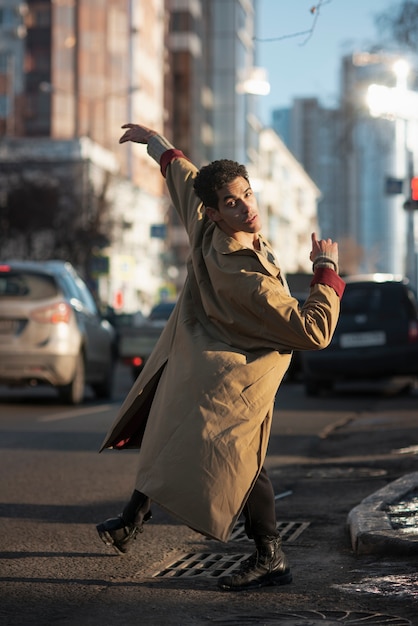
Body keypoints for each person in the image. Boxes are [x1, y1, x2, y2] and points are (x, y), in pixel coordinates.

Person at [96, 123, 345, 591]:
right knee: (236, 462)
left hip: (211, 371)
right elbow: (314, 331)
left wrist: (159, 146)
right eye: (232, 202)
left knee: (191, 442)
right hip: (229, 379)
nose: (247, 207)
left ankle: (135, 520)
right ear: (214, 214)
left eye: (247, 194)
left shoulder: (205, 225)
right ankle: (271, 556)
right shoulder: (244, 276)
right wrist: (326, 272)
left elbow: (186, 180)